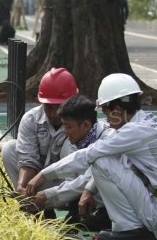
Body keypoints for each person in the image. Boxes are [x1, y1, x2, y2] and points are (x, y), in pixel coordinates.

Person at [26, 73, 157, 240]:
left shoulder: (134, 131)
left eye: (106, 112)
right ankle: (134, 226)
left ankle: (130, 228)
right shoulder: (146, 123)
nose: (106, 119)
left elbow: (88, 155)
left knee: (102, 161)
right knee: (106, 161)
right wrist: (87, 191)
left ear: (116, 111)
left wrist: (43, 175)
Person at [25, 94, 113, 231]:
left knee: (97, 172)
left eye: (68, 126)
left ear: (85, 125)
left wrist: (47, 196)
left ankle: (107, 217)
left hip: (117, 199)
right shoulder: (77, 140)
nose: (65, 132)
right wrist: (43, 175)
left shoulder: (108, 139)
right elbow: (72, 175)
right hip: (95, 195)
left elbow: (86, 179)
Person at [1, 67, 79, 217]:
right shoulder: (31, 119)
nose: (54, 113)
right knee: (9, 148)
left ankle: (72, 207)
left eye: (60, 107)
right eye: (49, 107)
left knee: (70, 147)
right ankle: (33, 205)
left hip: (70, 184)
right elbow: (28, 159)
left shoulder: (81, 122)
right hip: (37, 183)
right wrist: (22, 185)